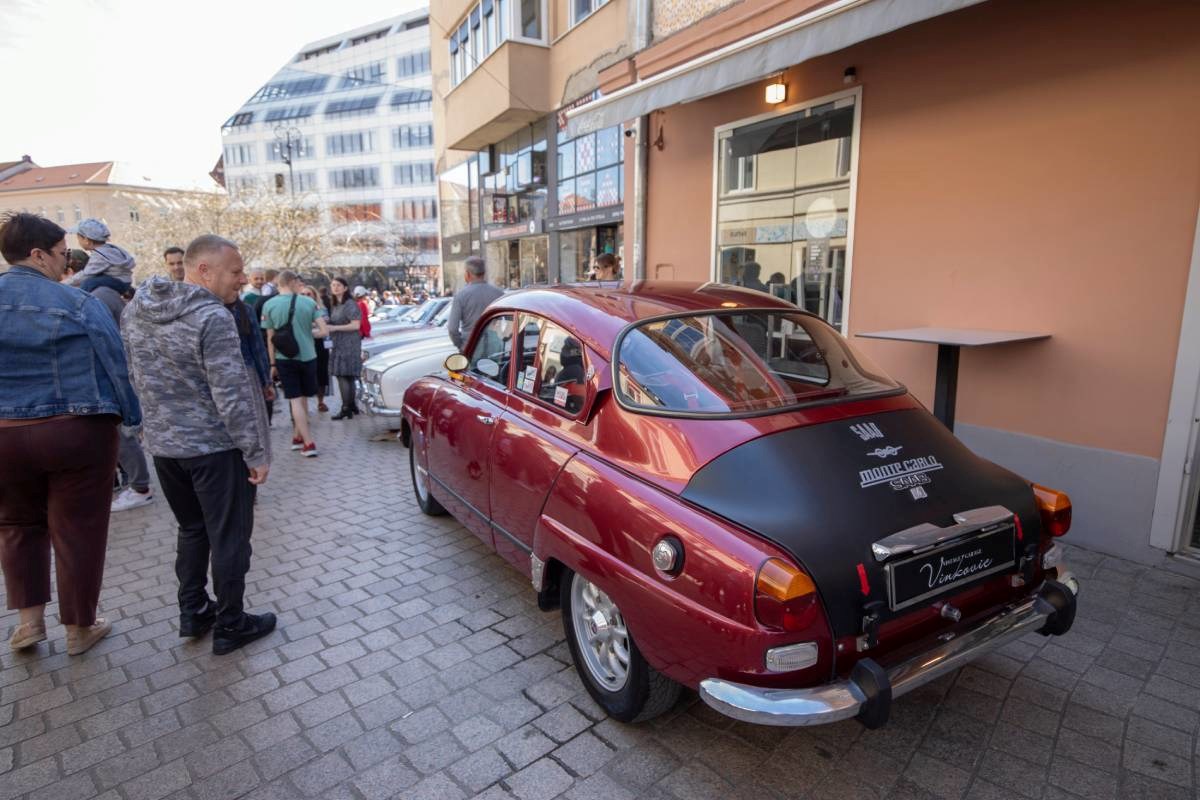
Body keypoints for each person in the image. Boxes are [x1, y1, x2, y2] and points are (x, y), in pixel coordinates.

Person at [122, 234, 276, 655]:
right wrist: (256, 452)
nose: (243, 280)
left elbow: (132, 375)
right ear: (203, 270)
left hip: (166, 449)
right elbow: (231, 395)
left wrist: (148, 429)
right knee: (229, 537)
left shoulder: (137, 309)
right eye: (236, 271)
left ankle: (193, 611)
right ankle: (231, 623)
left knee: (192, 530)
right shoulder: (213, 318)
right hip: (214, 449)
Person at [0, 212, 141, 655]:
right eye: (62, 255)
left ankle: (29, 623)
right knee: (78, 528)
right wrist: (130, 416)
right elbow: (115, 363)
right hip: (75, 430)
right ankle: (80, 628)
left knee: (17, 524)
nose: (67, 264)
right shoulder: (78, 302)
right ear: (38, 254)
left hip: (3, 435)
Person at [60, 255, 155, 512]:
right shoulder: (105, 293)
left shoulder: (100, 295)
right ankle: (136, 485)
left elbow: (110, 344)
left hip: (110, 378)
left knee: (123, 435)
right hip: (111, 377)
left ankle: (140, 487)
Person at [261, 270, 328, 457]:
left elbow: (270, 338)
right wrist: (307, 334)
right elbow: (323, 331)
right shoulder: (309, 302)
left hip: (285, 358)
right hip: (308, 356)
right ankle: (300, 438)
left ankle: (307, 442)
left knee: (295, 400)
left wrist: (272, 365)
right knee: (304, 398)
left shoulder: (269, 305)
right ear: (291, 282)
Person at [65, 218, 135, 294]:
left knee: (88, 283)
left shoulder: (99, 256)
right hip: (124, 281)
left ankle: (81, 300)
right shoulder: (107, 249)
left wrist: (64, 284)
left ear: (86, 240)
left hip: (120, 282)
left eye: (78, 238)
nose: (78, 241)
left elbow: (85, 275)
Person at [448, 256, 504, 351]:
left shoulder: (461, 296)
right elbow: (511, 320)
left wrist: (461, 345)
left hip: (470, 347)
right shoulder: (499, 294)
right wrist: (503, 338)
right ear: (484, 273)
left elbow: (452, 329)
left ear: (467, 274)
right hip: (494, 347)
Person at [326, 277, 363, 419]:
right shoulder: (335, 304)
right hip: (338, 342)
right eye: (333, 285)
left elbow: (355, 325)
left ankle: (346, 407)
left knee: (344, 375)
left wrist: (334, 327)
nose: (335, 288)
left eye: (338, 285)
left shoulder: (350, 304)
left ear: (345, 288)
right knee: (346, 375)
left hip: (349, 343)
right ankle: (351, 405)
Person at [299, 284, 330, 413]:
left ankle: (320, 401)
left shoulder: (321, 308)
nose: (306, 297)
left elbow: (324, 322)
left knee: (321, 373)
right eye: (303, 294)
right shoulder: (298, 308)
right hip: (305, 344)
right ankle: (303, 404)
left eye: (309, 294)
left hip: (320, 345)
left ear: (314, 295)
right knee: (305, 373)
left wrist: (310, 324)